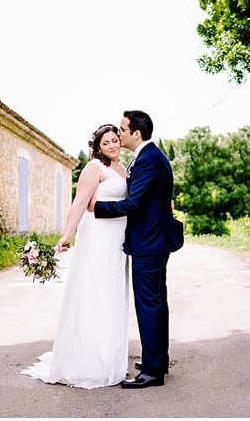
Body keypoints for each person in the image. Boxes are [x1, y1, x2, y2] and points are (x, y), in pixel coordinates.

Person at [22, 124, 129, 389]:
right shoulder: (94, 169)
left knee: (113, 293)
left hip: (118, 240)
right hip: (97, 237)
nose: (112, 146)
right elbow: (80, 203)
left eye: (115, 140)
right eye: (106, 143)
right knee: (94, 291)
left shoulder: (123, 169)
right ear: (98, 147)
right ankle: (87, 361)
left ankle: (109, 357)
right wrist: (67, 234)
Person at [89, 110, 183, 389]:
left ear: (136, 134)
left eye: (122, 129)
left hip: (149, 244)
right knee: (156, 303)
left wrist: (97, 208)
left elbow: (133, 205)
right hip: (154, 240)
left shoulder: (147, 160)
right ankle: (157, 359)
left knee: (149, 304)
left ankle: (153, 372)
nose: (118, 134)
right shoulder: (148, 157)